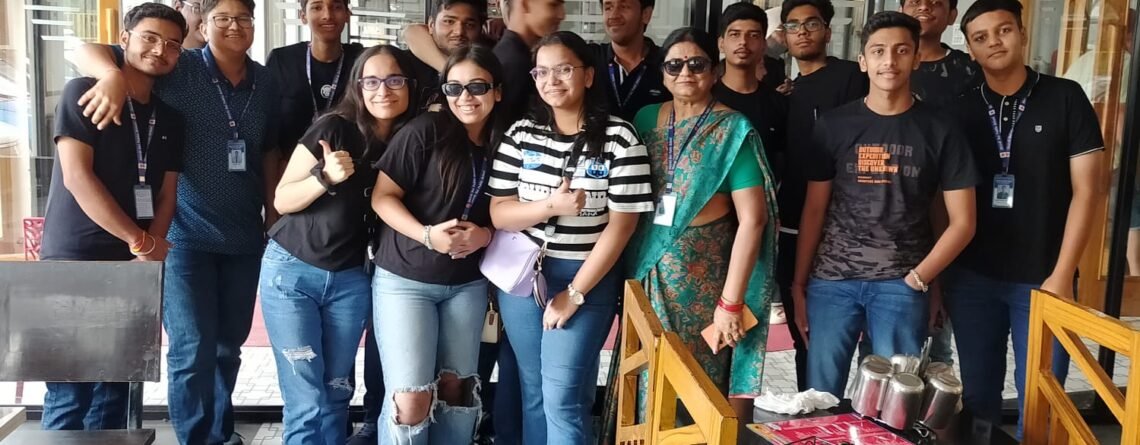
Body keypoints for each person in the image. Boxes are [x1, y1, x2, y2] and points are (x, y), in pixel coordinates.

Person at [72, 0, 282, 442]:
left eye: (243, 18)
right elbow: (86, 49)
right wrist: (110, 75)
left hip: (244, 235)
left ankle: (219, 434)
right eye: (222, 18)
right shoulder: (180, 65)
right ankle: (197, 438)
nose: (234, 26)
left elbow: (269, 152)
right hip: (184, 235)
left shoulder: (266, 82)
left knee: (228, 348)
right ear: (203, 24)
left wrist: (272, 215)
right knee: (191, 349)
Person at [792, 11, 979, 398]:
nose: (889, 61)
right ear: (863, 61)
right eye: (878, 51)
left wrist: (922, 279)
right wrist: (799, 283)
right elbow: (814, 210)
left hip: (902, 283)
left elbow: (962, 222)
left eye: (901, 50)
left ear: (916, 58)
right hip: (832, 282)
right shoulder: (834, 125)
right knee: (819, 398)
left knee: (894, 405)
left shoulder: (941, 129)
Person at [945, 0, 1104, 436]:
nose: (994, 42)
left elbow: (1088, 191)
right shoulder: (960, 110)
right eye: (981, 38)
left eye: (1003, 30)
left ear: (1022, 32)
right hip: (973, 278)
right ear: (970, 50)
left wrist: (1063, 274)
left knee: (1041, 397)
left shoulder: (1065, 97)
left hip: (1044, 276)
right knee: (978, 397)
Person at [487, 31, 653, 445]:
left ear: (589, 76)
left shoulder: (620, 138)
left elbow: (622, 225)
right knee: (534, 390)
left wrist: (575, 293)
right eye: (541, 72)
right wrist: (550, 206)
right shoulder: (521, 135)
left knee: (561, 397)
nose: (551, 80)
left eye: (563, 69)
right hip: (525, 278)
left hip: (587, 277)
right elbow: (500, 213)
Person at [37, 2, 186, 431]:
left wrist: (149, 251)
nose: (160, 50)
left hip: (132, 266)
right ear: (124, 39)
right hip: (75, 260)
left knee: (116, 389)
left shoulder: (171, 119)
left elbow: (167, 193)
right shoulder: (83, 91)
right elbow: (77, 178)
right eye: (150, 38)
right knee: (71, 389)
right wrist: (139, 240)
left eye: (172, 45)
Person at [260, 45, 418, 445]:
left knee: (336, 391)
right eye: (371, 81)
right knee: (306, 398)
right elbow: (282, 200)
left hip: (351, 278)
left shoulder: (409, 140)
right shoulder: (333, 128)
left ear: (410, 85)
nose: (383, 90)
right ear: (357, 87)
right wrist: (324, 177)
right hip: (292, 273)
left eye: (394, 80)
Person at [626, 26, 779, 421]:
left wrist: (730, 303)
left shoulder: (732, 130)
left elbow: (754, 220)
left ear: (714, 71)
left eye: (697, 64)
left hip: (703, 283)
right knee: (643, 376)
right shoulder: (645, 120)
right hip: (645, 274)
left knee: (694, 385)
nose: (685, 73)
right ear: (662, 73)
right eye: (674, 65)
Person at [371, 43, 507, 445]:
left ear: (498, 91)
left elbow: (513, 211)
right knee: (411, 399)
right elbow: (382, 197)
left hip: (467, 283)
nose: (465, 98)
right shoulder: (426, 130)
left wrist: (485, 235)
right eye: (454, 88)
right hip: (405, 280)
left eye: (477, 87)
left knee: (458, 391)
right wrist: (427, 235)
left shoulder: (506, 141)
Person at [774, 0, 868, 391]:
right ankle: (811, 413)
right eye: (792, 25)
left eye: (811, 23)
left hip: (851, 230)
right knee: (806, 335)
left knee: (866, 343)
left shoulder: (851, 77)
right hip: (795, 226)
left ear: (828, 31)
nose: (802, 31)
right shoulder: (784, 92)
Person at [267, 0, 366, 156]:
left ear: (347, 15)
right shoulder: (282, 60)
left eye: (336, 7)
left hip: (348, 165)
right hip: (291, 166)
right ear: (303, 16)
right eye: (317, 7)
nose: (327, 15)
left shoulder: (362, 61)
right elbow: (268, 129)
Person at [714, 3, 788, 170]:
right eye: (735, 34)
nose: (743, 42)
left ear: (763, 45)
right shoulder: (705, 98)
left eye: (753, 35)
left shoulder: (779, 104)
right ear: (721, 44)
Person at [590, 0, 671, 122]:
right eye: (608, 8)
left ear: (646, 14)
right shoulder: (588, 60)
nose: (614, 15)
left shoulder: (669, 65)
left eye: (624, 6)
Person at [401, 0, 487, 108]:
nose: (459, 32)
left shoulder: (487, 67)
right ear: (431, 25)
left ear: (480, 29)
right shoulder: (404, 66)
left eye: (469, 25)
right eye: (449, 21)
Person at [901, 0, 978, 106]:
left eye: (936, 2)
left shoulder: (970, 69)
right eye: (915, 2)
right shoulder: (881, 64)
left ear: (952, 15)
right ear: (900, 12)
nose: (924, 7)